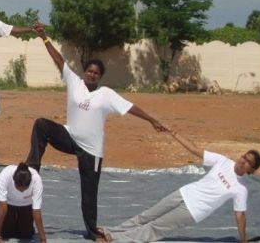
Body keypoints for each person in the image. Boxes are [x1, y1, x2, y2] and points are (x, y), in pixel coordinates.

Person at [26, 23, 167, 241]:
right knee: (41, 125)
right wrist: (44, 37)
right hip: (69, 136)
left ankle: (92, 231)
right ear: (84, 72)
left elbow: (130, 107)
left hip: (91, 151)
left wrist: (151, 120)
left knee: (89, 194)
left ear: (100, 77)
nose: (91, 75)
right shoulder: (74, 82)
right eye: (89, 71)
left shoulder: (106, 94)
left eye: (96, 73)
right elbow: (59, 59)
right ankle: (33, 167)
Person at [100, 130, 260, 242]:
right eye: (244, 156)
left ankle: (116, 240)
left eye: (248, 162)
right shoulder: (223, 161)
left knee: (155, 228)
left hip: (193, 210)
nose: (243, 160)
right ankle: (112, 231)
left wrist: (243, 241)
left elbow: (240, 216)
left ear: (251, 169)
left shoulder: (240, 190)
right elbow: (195, 150)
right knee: (147, 216)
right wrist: (175, 134)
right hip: (183, 193)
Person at [0, 163, 46, 243]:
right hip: (8, 202)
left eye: (25, 188)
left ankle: (20, 224)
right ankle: (10, 225)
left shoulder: (36, 179)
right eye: (19, 188)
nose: (22, 191)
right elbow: (3, 207)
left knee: (26, 235)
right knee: (6, 233)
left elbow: (36, 210)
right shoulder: (6, 174)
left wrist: (43, 239)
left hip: (26, 203)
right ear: (13, 180)